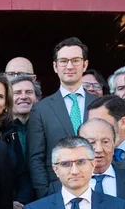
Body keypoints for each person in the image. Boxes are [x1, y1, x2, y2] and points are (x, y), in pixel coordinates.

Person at [23, 38, 98, 197]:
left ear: (85, 65)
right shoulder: (40, 109)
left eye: (75, 60)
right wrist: (46, 194)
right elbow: (35, 158)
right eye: (63, 61)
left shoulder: (100, 105)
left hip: (97, 188)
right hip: (56, 191)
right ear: (55, 66)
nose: (69, 66)